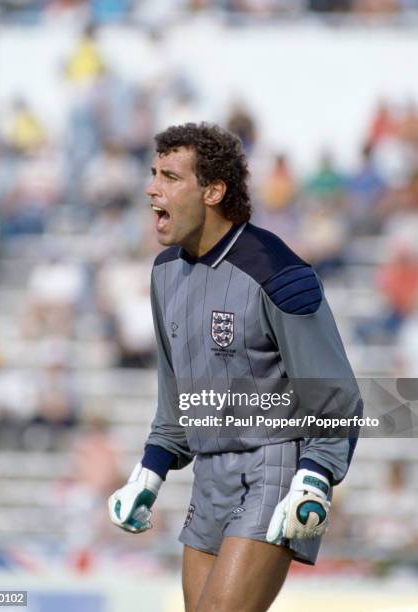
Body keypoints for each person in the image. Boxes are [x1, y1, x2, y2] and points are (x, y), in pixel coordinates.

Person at [108, 123, 360, 611]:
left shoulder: (277, 271)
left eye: (170, 177)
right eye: (153, 173)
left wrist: (316, 476)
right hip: (210, 473)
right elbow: (178, 397)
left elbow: (334, 391)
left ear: (213, 191)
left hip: (275, 466)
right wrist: (150, 471)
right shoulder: (164, 273)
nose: (151, 188)